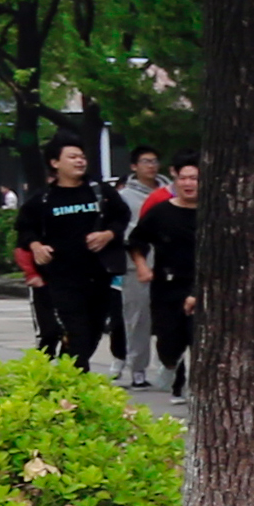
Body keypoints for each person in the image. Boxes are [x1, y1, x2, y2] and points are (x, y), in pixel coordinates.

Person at [16, 139, 131, 372]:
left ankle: (66, 373)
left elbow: (122, 216)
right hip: (62, 279)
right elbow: (24, 229)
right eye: (72, 157)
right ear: (55, 162)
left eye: (82, 157)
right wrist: (36, 246)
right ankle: (74, 386)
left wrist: (108, 234)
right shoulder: (44, 199)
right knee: (76, 332)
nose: (80, 161)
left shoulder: (100, 192)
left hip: (99, 274)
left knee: (93, 331)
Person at [127, 159, 199, 403]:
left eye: (195, 178)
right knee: (170, 339)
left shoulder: (213, 215)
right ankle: (172, 370)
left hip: (201, 284)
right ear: (175, 181)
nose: (188, 183)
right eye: (183, 178)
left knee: (198, 338)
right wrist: (141, 266)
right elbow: (136, 241)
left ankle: (196, 389)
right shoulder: (161, 212)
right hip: (167, 285)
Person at [117, 145, 165, 387]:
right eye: (146, 161)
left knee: (171, 319)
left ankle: (170, 367)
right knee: (138, 320)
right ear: (134, 166)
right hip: (137, 266)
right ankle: (138, 369)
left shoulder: (170, 191)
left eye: (155, 160)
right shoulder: (125, 197)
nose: (151, 166)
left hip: (169, 264)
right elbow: (126, 233)